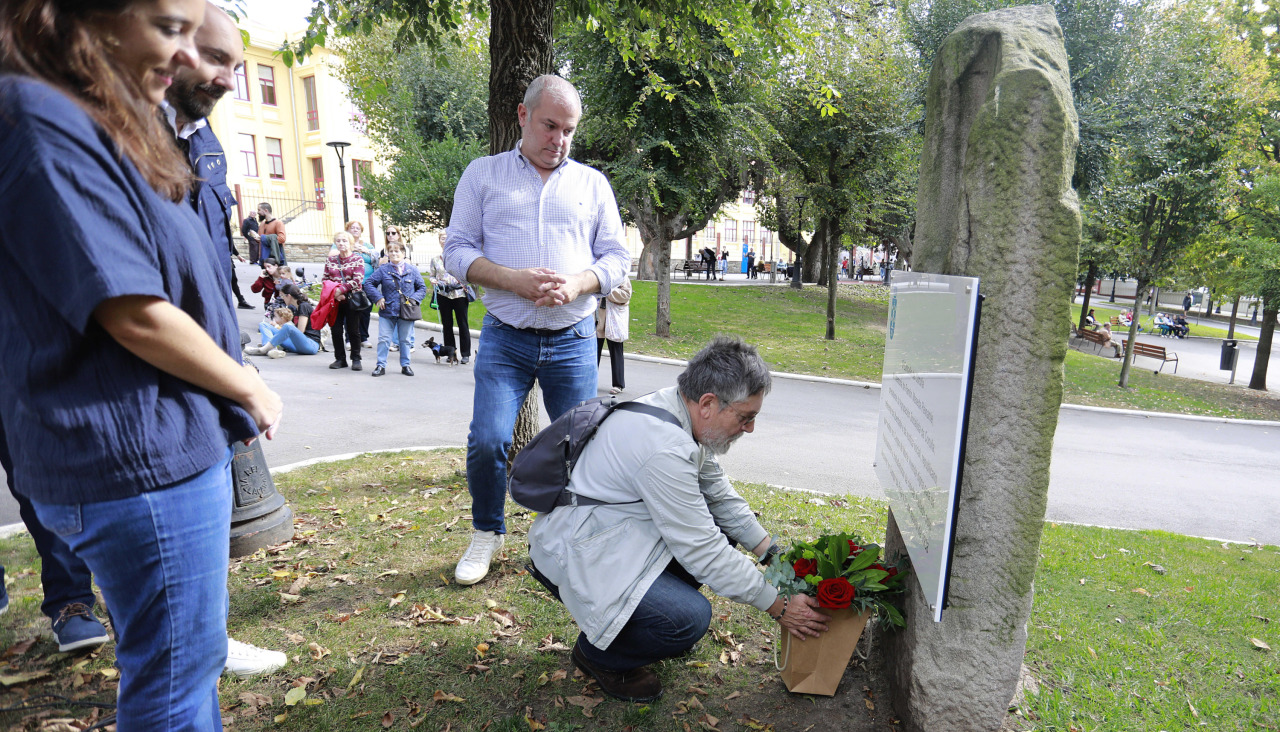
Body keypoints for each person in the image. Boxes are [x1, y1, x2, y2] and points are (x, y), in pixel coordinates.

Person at [0, 0, 284, 727]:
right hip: (135, 458)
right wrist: (246, 382)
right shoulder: (37, 115)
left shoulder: (103, 115)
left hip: (161, 448)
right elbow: (128, 308)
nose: (187, 56)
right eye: (169, 29)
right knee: (172, 686)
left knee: (188, 671)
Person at [526, 337, 830, 702]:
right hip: (577, 551)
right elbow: (702, 550)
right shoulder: (663, 446)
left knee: (720, 530)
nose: (749, 429)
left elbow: (718, 494)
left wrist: (772, 553)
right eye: (745, 417)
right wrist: (778, 606)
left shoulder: (677, 408)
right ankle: (598, 656)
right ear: (708, 403)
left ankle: (640, 623)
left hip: (610, 532)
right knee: (688, 618)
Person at [444, 74, 630, 586]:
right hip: (507, 334)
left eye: (569, 130)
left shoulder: (592, 184)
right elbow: (456, 250)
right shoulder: (483, 175)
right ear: (523, 116)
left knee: (581, 447)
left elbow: (617, 257)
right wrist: (513, 281)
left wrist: (578, 283)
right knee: (488, 440)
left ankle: (572, 535)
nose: (559, 140)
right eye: (550, 126)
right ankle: (487, 530)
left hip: (572, 338)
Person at [162, 2, 291, 676]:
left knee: (209, 497)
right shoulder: (121, 136)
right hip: (157, 364)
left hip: (209, 353)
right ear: (173, 45)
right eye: (215, 59)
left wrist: (233, 367)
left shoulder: (205, 144)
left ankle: (208, 633)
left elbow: (212, 267)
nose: (226, 80)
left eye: (236, 67)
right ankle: (178, 644)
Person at [363, 240, 426, 376]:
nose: (394, 253)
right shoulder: (383, 269)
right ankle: (380, 365)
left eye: (397, 251)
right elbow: (368, 283)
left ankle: (406, 365)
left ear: (403, 253)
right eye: (391, 251)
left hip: (406, 311)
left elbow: (422, 288)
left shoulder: (412, 270)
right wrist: (378, 297)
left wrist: (413, 300)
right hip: (388, 310)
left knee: (405, 340)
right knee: (384, 339)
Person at [324, 230, 366, 370]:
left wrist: (340, 290)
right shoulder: (330, 260)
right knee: (335, 330)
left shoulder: (357, 259)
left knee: (353, 330)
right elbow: (325, 279)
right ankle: (340, 359)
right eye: (338, 241)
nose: (341, 243)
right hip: (335, 301)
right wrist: (335, 294)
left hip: (352, 299)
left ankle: (356, 358)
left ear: (350, 243)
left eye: (344, 241)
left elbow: (357, 280)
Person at [430, 233, 473, 364]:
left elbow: (468, 276)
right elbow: (432, 275)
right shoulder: (436, 259)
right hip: (443, 295)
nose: (445, 240)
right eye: (443, 238)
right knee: (447, 324)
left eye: (448, 238)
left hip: (459, 295)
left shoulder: (460, 258)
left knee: (463, 324)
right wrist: (434, 281)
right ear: (439, 241)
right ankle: (451, 353)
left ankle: (465, 354)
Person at [596, 279, 632, 395]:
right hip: (597, 318)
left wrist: (607, 291)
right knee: (592, 352)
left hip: (614, 320)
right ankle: (589, 381)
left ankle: (618, 384)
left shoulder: (621, 276)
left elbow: (626, 295)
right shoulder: (598, 274)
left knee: (616, 351)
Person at [346, 220, 375, 346]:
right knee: (351, 310)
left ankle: (363, 337)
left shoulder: (368, 245)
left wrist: (366, 251)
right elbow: (333, 255)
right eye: (352, 227)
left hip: (367, 282)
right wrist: (351, 248)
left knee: (366, 310)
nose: (355, 229)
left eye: (358, 228)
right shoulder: (344, 243)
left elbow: (376, 259)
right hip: (351, 283)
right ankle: (349, 338)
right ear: (348, 230)